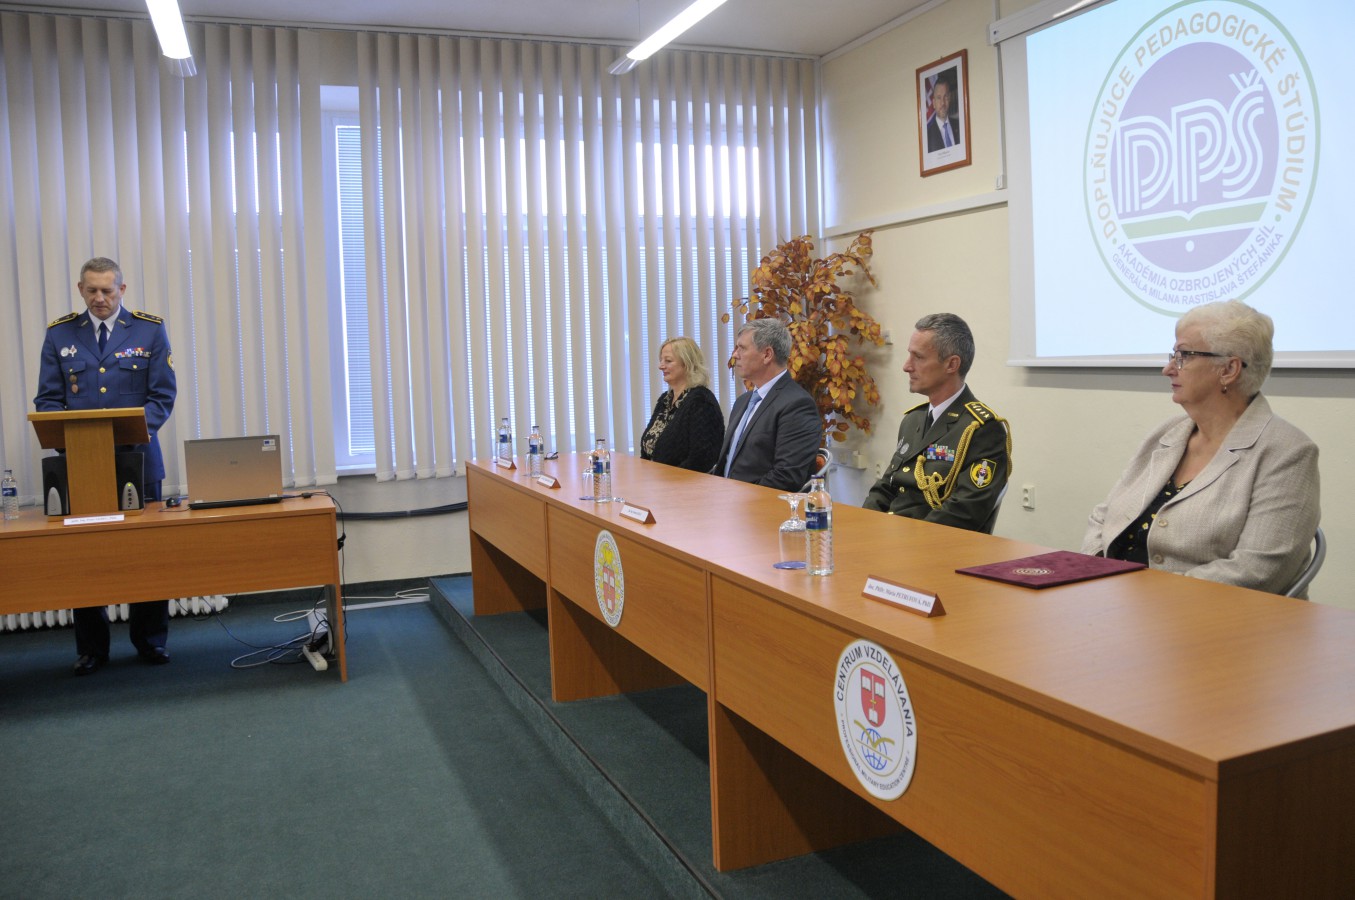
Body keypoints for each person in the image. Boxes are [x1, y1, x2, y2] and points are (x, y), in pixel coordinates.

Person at [1082, 300, 1320, 596]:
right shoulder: (1165, 434)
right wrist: (1095, 572)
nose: (1168, 369)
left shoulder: (1287, 452)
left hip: (1211, 614)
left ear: (1229, 369)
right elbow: (1103, 516)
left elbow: (1259, 570)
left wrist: (1148, 596)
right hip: (1117, 600)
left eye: (1183, 356)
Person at [34, 257, 177, 674]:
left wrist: (129, 432)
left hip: (139, 459)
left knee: (145, 554)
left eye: (107, 291)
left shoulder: (149, 330)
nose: (100, 298)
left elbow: (162, 396)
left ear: (122, 290)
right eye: (92, 290)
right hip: (81, 465)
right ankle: (92, 649)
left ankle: (150, 641)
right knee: (86, 557)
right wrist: (76, 441)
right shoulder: (60, 334)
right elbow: (47, 401)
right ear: (80, 289)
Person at [863, 313, 1011, 531]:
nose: (906, 366)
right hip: (892, 538)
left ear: (951, 364)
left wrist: (901, 541)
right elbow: (886, 488)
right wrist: (864, 526)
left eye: (918, 357)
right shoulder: (913, 420)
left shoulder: (982, 429)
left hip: (933, 544)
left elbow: (964, 512)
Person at [711, 319, 821, 492]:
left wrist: (737, 498)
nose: (735, 355)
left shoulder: (797, 405)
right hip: (724, 497)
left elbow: (786, 477)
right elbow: (726, 464)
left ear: (767, 355)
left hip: (759, 504)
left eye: (742, 348)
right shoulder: (742, 402)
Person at [639, 336, 725, 472]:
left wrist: (668, 480)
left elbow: (702, 460)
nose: (661, 366)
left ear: (687, 364)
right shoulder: (665, 399)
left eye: (668, 361)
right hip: (653, 480)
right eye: (661, 360)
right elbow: (647, 450)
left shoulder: (701, 402)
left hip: (683, 483)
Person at [925, 71, 962, 153]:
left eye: (946, 97)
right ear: (933, 103)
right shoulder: (927, 137)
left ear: (950, 98)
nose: (942, 103)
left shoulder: (960, 125)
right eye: (939, 98)